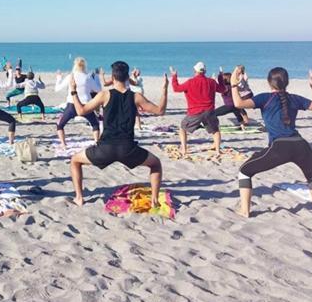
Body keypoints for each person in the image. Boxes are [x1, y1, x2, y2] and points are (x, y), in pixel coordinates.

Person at [68, 61, 168, 206]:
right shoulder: (136, 97)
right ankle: (154, 200)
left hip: (105, 148)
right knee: (156, 164)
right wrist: (165, 89)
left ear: (113, 78)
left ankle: (79, 197)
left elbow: (80, 111)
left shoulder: (104, 95)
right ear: (127, 77)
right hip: (128, 149)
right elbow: (160, 111)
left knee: (75, 161)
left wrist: (73, 91)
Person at [231, 67, 312, 218]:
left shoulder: (264, 98)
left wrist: (233, 85)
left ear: (269, 83)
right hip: (302, 145)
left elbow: (238, 103)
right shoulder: (294, 98)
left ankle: (244, 211)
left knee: (244, 171)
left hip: (280, 147)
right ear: (287, 82)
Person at [171, 62, 227, 155]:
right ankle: (217, 150)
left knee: (182, 128)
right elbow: (223, 89)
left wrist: (174, 76)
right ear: (205, 71)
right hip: (209, 111)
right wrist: (220, 77)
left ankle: (184, 150)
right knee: (215, 130)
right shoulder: (211, 82)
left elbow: (176, 88)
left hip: (195, 111)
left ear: (195, 71)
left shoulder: (190, 82)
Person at [55, 57, 101, 148]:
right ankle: (97, 142)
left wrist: (58, 78)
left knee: (60, 125)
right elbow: (98, 90)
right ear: (84, 66)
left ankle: (64, 144)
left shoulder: (70, 76)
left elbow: (57, 89)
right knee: (95, 124)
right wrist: (96, 78)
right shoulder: (87, 77)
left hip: (72, 104)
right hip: (86, 105)